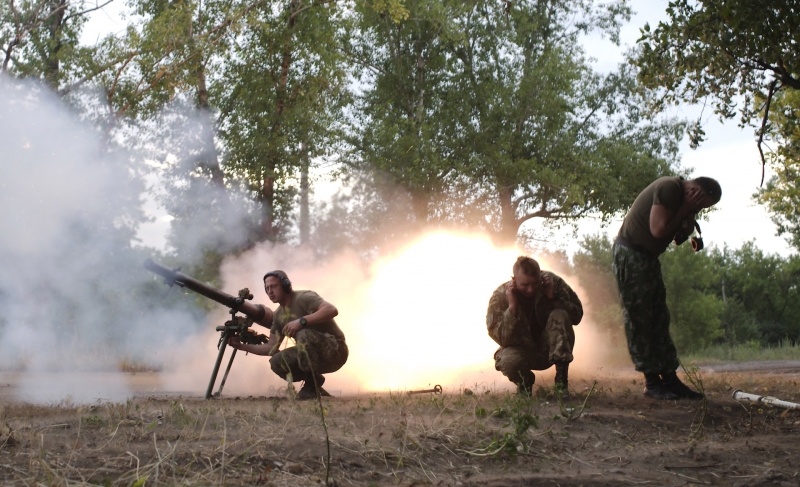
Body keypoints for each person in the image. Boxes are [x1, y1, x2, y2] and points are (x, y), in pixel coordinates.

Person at [613, 176, 721, 400]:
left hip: (648, 259)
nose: (700, 209)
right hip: (632, 255)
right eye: (701, 204)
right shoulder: (669, 187)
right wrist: (686, 208)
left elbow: (682, 234)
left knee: (659, 319)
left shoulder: (683, 201)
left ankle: (670, 380)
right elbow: (658, 230)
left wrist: (689, 211)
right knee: (640, 319)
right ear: (696, 190)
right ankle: (652, 382)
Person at [229, 270, 348, 400]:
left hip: (336, 351)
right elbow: (270, 347)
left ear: (286, 285)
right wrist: (241, 346)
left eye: (274, 286)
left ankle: (310, 386)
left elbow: (331, 310)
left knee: (303, 334)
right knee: (276, 361)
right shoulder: (278, 315)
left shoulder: (303, 297)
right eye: (267, 288)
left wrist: (301, 321)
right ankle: (315, 381)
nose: (270, 291)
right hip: (315, 358)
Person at [486, 256, 583, 396]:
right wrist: (512, 307)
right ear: (514, 280)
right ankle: (525, 385)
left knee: (560, 315)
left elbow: (576, 316)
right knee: (508, 361)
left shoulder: (553, 283)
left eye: (535, 283)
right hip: (521, 352)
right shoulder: (501, 296)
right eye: (525, 285)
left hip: (549, 349)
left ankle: (561, 384)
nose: (530, 289)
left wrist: (554, 298)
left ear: (541, 276)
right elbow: (502, 339)